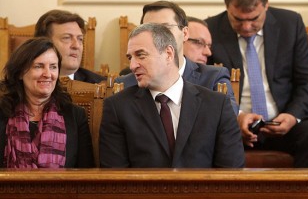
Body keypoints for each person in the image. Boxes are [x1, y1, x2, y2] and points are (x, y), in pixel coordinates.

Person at [206, 0, 308, 167]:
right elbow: (204, 86)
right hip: (232, 127)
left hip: (281, 122)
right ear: (227, 7)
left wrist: (292, 116)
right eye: (238, 19)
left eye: (253, 19)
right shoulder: (210, 30)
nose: (246, 27)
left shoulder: (290, 24)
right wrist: (236, 116)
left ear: (266, 6)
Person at [99, 23, 244, 168]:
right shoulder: (118, 108)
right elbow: (115, 174)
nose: (132, 66)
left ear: (168, 54)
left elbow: (231, 172)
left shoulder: (217, 105)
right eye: (130, 58)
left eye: (141, 55)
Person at [116, 1, 238, 114]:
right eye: (148, 30)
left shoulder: (213, 79)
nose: (156, 38)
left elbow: (228, 121)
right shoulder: (125, 84)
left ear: (184, 33)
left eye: (165, 28)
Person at [0, 37, 93, 168]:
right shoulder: (3, 112)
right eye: (39, 66)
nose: (48, 74)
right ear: (20, 72)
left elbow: (86, 172)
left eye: (53, 67)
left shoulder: (75, 115)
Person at [34, 10, 104, 83]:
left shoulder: (100, 85)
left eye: (80, 39)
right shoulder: (28, 83)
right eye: (67, 38)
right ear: (43, 44)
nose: (76, 46)